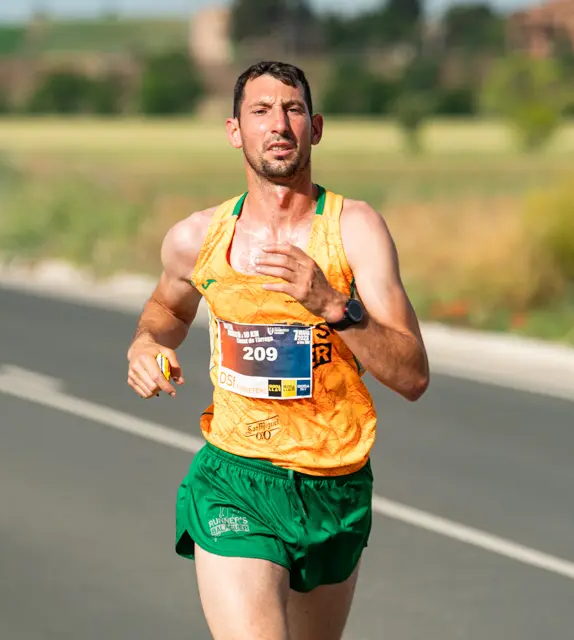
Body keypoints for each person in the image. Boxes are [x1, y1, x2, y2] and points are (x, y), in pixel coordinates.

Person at [126, 60, 430, 640]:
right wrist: (145, 344)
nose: (278, 125)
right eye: (260, 111)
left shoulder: (354, 230)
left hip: (334, 483)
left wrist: (334, 305)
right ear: (234, 130)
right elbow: (166, 312)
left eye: (292, 110)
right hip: (235, 477)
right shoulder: (197, 238)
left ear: (315, 128)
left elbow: (413, 375)